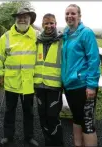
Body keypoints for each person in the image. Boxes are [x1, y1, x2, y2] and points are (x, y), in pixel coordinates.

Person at [0, 7, 39, 146]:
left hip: (29, 82)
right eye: (19, 17)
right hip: (11, 81)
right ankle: (8, 136)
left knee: (29, 112)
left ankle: (29, 137)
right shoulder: (6, 36)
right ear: (15, 19)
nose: (22, 19)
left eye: (25, 17)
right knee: (9, 111)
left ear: (30, 20)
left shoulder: (37, 36)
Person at [61, 4, 100, 147]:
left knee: (87, 123)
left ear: (79, 16)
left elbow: (94, 60)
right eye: (67, 14)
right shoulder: (66, 34)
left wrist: (91, 85)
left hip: (84, 86)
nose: (69, 16)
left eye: (73, 13)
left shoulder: (86, 33)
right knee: (77, 118)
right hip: (70, 86)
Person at [34, 13, 64, 146]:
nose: (49, 26)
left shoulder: (62, 40)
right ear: (42, 25)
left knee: (53, 117)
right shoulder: (37, 41)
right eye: (46, 23)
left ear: (55, 24)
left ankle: (58, 143)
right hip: (39, 85)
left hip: (54, 86)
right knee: (42, 116)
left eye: (52, 23)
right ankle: (48, 142)